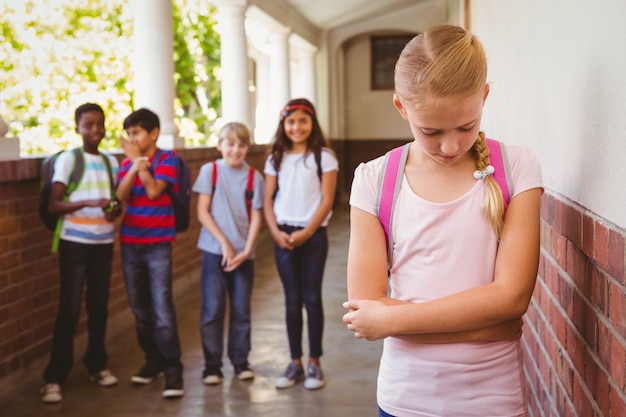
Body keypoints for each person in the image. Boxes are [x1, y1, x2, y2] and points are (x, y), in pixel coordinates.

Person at [342, 24, 543, 417]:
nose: (450, 146)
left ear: (484, 96)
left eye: (466, 127)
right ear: (402, 107)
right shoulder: (374, 179)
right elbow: (367, 312)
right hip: (405, 401)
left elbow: (512, 298)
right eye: (430, 131)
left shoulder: (517, 167)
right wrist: (489, 324)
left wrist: (395, 318)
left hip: (493, 402)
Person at [40, 103, 122, 403]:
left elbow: (114, 206)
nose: (96, 130)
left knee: (99, 306)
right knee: (71, 308)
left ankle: (97, 365)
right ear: (78, 127)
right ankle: (54, 377)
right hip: (74, 242)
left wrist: (112, 209)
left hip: (103, 242)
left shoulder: (111, 163)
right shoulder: (69, 161)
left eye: (100, 124)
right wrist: (88, 204)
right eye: (89, 125)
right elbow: (54, 204)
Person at [263, 98, 339, 390]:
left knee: (312, 298)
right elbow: (268, 201)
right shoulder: (275, 158)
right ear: (284, 124)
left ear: (312, 123)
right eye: (291, 122)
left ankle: (314, 363)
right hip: (283, 235)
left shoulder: (324, 156)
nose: (297, 127)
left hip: (313, 236)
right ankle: (294, 361)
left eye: (302, 121)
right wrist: (275, 232)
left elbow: (327, 199)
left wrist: (307, 232)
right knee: (291, 300)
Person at [115, 108, 184, 399]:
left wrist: (139, 165)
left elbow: (155, 190)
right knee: (140, 310)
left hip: (158, 245)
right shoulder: (125, 164)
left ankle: (173, 371)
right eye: (128, 133)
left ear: (153, 133)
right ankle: (152, 362)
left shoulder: (169, 159)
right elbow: (119, 197)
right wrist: (132, 166)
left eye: (136, 133)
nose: (131, 139)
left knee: (162, 310)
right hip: (130, 244)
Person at [192, 122, 264, 385]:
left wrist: (247, 249)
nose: (235, 150)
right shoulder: (209, 171)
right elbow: (202, 212)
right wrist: (223, 242)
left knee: (242, 310)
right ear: (219, 145)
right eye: (230, 144)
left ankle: (240, 361)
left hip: (244, 256)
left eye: (241, 145)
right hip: (214, 252)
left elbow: (257, 216)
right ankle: (212, 367)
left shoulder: (255, 177)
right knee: (212, 309)